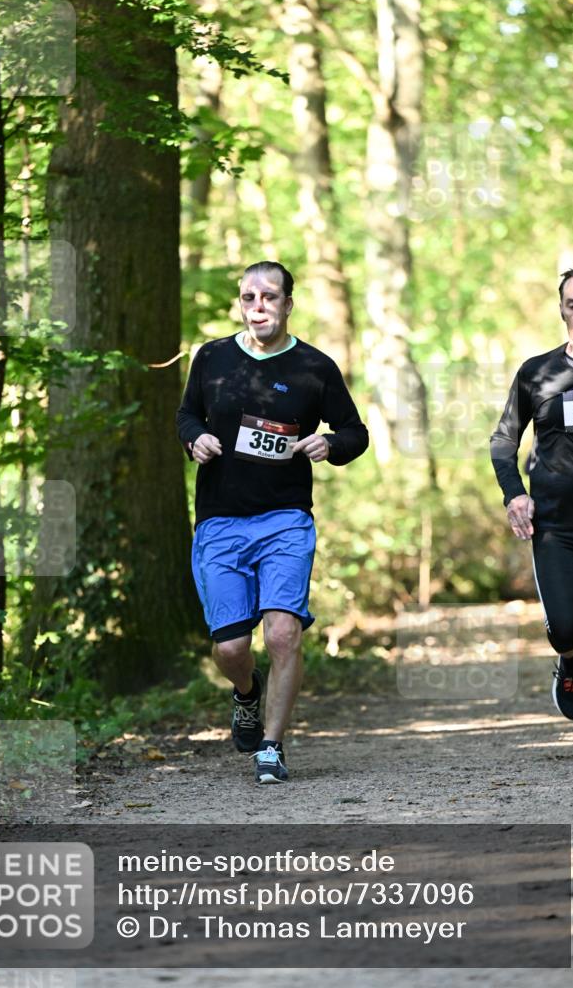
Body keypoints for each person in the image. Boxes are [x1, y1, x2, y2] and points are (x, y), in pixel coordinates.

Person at [176, 261, 369, 784]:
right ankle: (246, 693)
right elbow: (186, 415)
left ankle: (272, 745)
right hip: (220, 520)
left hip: (285, 520)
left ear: (288, 304)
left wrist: (331, 443)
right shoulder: (212, 358)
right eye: (248, 297)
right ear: (240, 303)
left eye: (268, 297)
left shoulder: (314, 367)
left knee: (283, 634)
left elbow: (355, 431)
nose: (257, 306)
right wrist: (195, 437)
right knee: (231, 647)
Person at [490, 264, 573, 768]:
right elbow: (504, 440)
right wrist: (514, 494)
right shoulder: (538, 372)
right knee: (567, 626)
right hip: (557, 524)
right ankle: (570, 659)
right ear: (560, 309)